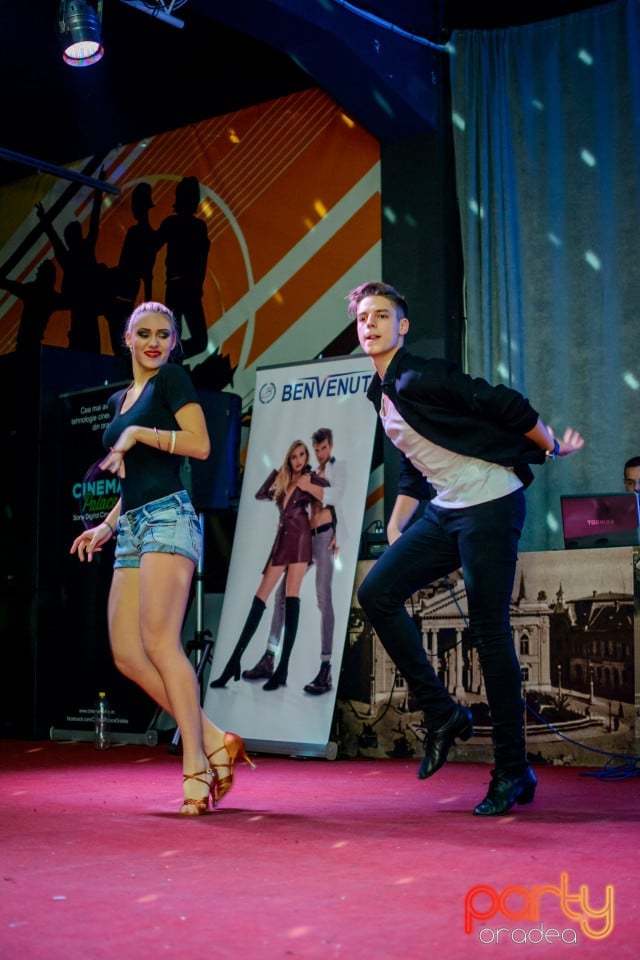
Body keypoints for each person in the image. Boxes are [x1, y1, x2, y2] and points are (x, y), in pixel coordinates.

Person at [348, 281, 584, 816]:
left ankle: (511, 770)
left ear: (402, 326)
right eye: (363, 318)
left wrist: (550, 445)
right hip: (447, 510)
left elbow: (500, 401)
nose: (370, 325)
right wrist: (398, 524)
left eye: (381, 316)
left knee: (489, 631)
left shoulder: (420, 373)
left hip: (490, 502)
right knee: (377, 593)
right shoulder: (380, 392)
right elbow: (416, 462)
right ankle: (442, 713)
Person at [70, 301, 253, 816]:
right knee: (128, 654)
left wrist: (138, 433)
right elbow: (133, 481)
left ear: (174, 343)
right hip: (132, 526)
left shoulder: (171, 380)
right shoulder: (118, 400)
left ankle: (196, 764)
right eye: (144, 333)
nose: (154, 342)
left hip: (170, 518)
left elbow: (200, 444)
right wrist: (106, 526)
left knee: (159, 642)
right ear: (126, 339)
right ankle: (216, 739)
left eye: (164, 334)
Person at [209, 440, 329, 692]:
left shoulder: (309, 478)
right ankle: (233, 662)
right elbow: (261, 494)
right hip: (282, 541)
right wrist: (278, 473)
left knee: (291, 597)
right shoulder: (283, 480)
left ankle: (282, 667)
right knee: (260, 598)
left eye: (302, 455)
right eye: (294, 456)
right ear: (289, 459)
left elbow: (325, 494)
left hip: (300, 539)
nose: (298, 460)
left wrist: (308, 484)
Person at [242, 428, 346, 695]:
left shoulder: (336, 469)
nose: (321, 454)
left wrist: (339, 533)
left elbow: (336, 498)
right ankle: (269, 657)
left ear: (331, 446)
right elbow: (275, 496)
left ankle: (325, 668)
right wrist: (286, 475)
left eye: (324, 448)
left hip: (324, 537)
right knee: (281, 596)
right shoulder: (305, 473)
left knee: (323, 598)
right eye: (316, 450)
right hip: (304, 540)